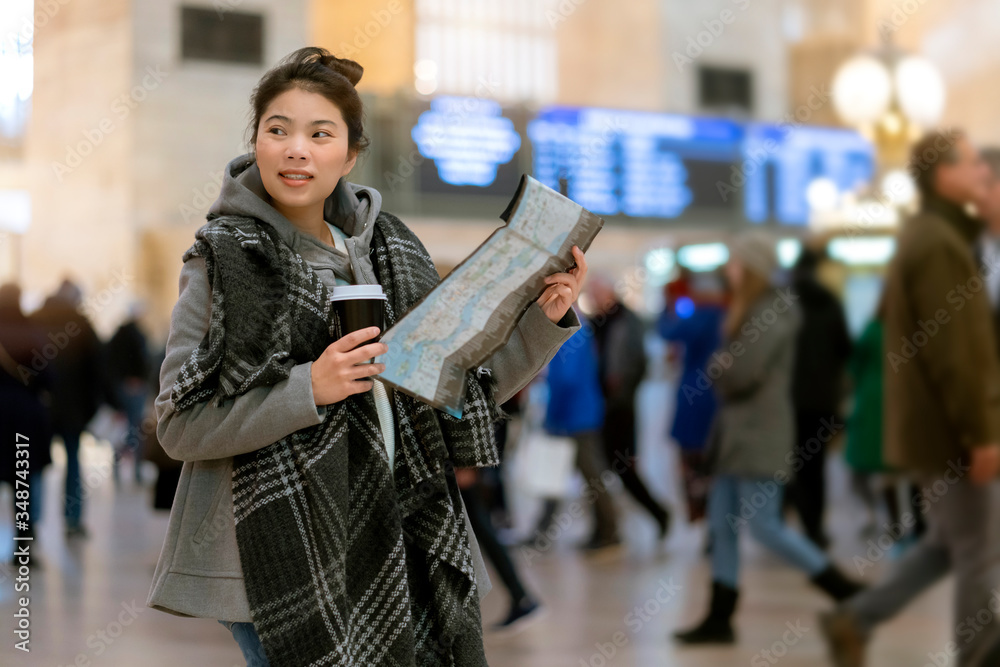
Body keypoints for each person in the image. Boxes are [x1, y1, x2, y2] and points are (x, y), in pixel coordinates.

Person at [146, 47, 586, 667]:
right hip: (272, 553)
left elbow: (455, 385)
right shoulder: (222, 258)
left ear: (349, 155)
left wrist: (544, 320)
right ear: (257, 143)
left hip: (398, 530)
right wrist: (311, 387)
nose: (296, 149)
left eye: (319, 133)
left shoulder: (390, 250)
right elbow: (179, 424)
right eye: (278, 130)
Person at [821, 130, 1000, 667]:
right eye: (973, 167)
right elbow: (955, 354)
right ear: (944, 174)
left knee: (948, 546)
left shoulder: (934, 236)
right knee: (979, 552)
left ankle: (856, 618)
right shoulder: (940, 243)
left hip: (935, 429)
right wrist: (982, 433)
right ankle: (980, 655)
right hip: (950, 431)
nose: (980, 178)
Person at [674, 230, 862, 646]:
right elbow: (732, 367)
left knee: (766, 527)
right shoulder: (750, 311)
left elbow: (738, 372)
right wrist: (725, 364)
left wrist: (722, 365)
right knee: (722, 528)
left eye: (737, 263)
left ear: (753, 268)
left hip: (759, 437)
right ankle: (719, 616)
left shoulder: (771, 312)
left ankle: (845, 590)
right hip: (734, 440)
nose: (729, 270)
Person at [587, 273, 671, 540]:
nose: (593, 299)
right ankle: (604, 528)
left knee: (623, 467)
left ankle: (658, 512)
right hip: (598, 405)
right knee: (598, 467)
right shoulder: (596, 323)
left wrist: (620, 389)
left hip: (620, 408)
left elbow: (639, 363)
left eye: (596, 293)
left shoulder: (626, 320)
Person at [30, 279, 109, 538]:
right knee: (73, 463)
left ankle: (29, 524)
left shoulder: (34, 319)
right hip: (73, 409)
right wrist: (96, 404)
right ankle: (72, 521)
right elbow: (98, 367)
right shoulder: (81, 323)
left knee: (33, 466)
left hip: (40, 407)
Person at [786, 246, 852, 549]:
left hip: (789, 400)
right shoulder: (831, 302)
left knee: (790, 463)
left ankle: (786, 523)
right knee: (817, 465)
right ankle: (814, 528)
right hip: (823, 399)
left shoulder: (785, 303)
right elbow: (845, 349)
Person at [657, 270, 726, 523]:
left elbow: (665, 331)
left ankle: (701, 512)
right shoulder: (730, 317)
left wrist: (666, 304)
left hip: (694, 398)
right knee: (717, 465)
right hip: (721, 397)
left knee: (692, 463)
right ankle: (717, 518)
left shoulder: (698, 317)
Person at [0, 282, 53, 561]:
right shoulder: (33, 333)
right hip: (25, 420)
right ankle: (23, 547)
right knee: (23, 482)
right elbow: (49, 378)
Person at [105, 301, 152, 485]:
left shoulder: (117, 336)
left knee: (121, 430)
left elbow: (108, 363)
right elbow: (145, 362)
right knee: (136, 431)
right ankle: (136, 472)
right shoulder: (138, 335)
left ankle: (117, 471)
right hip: (135, 389)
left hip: (121, 388)